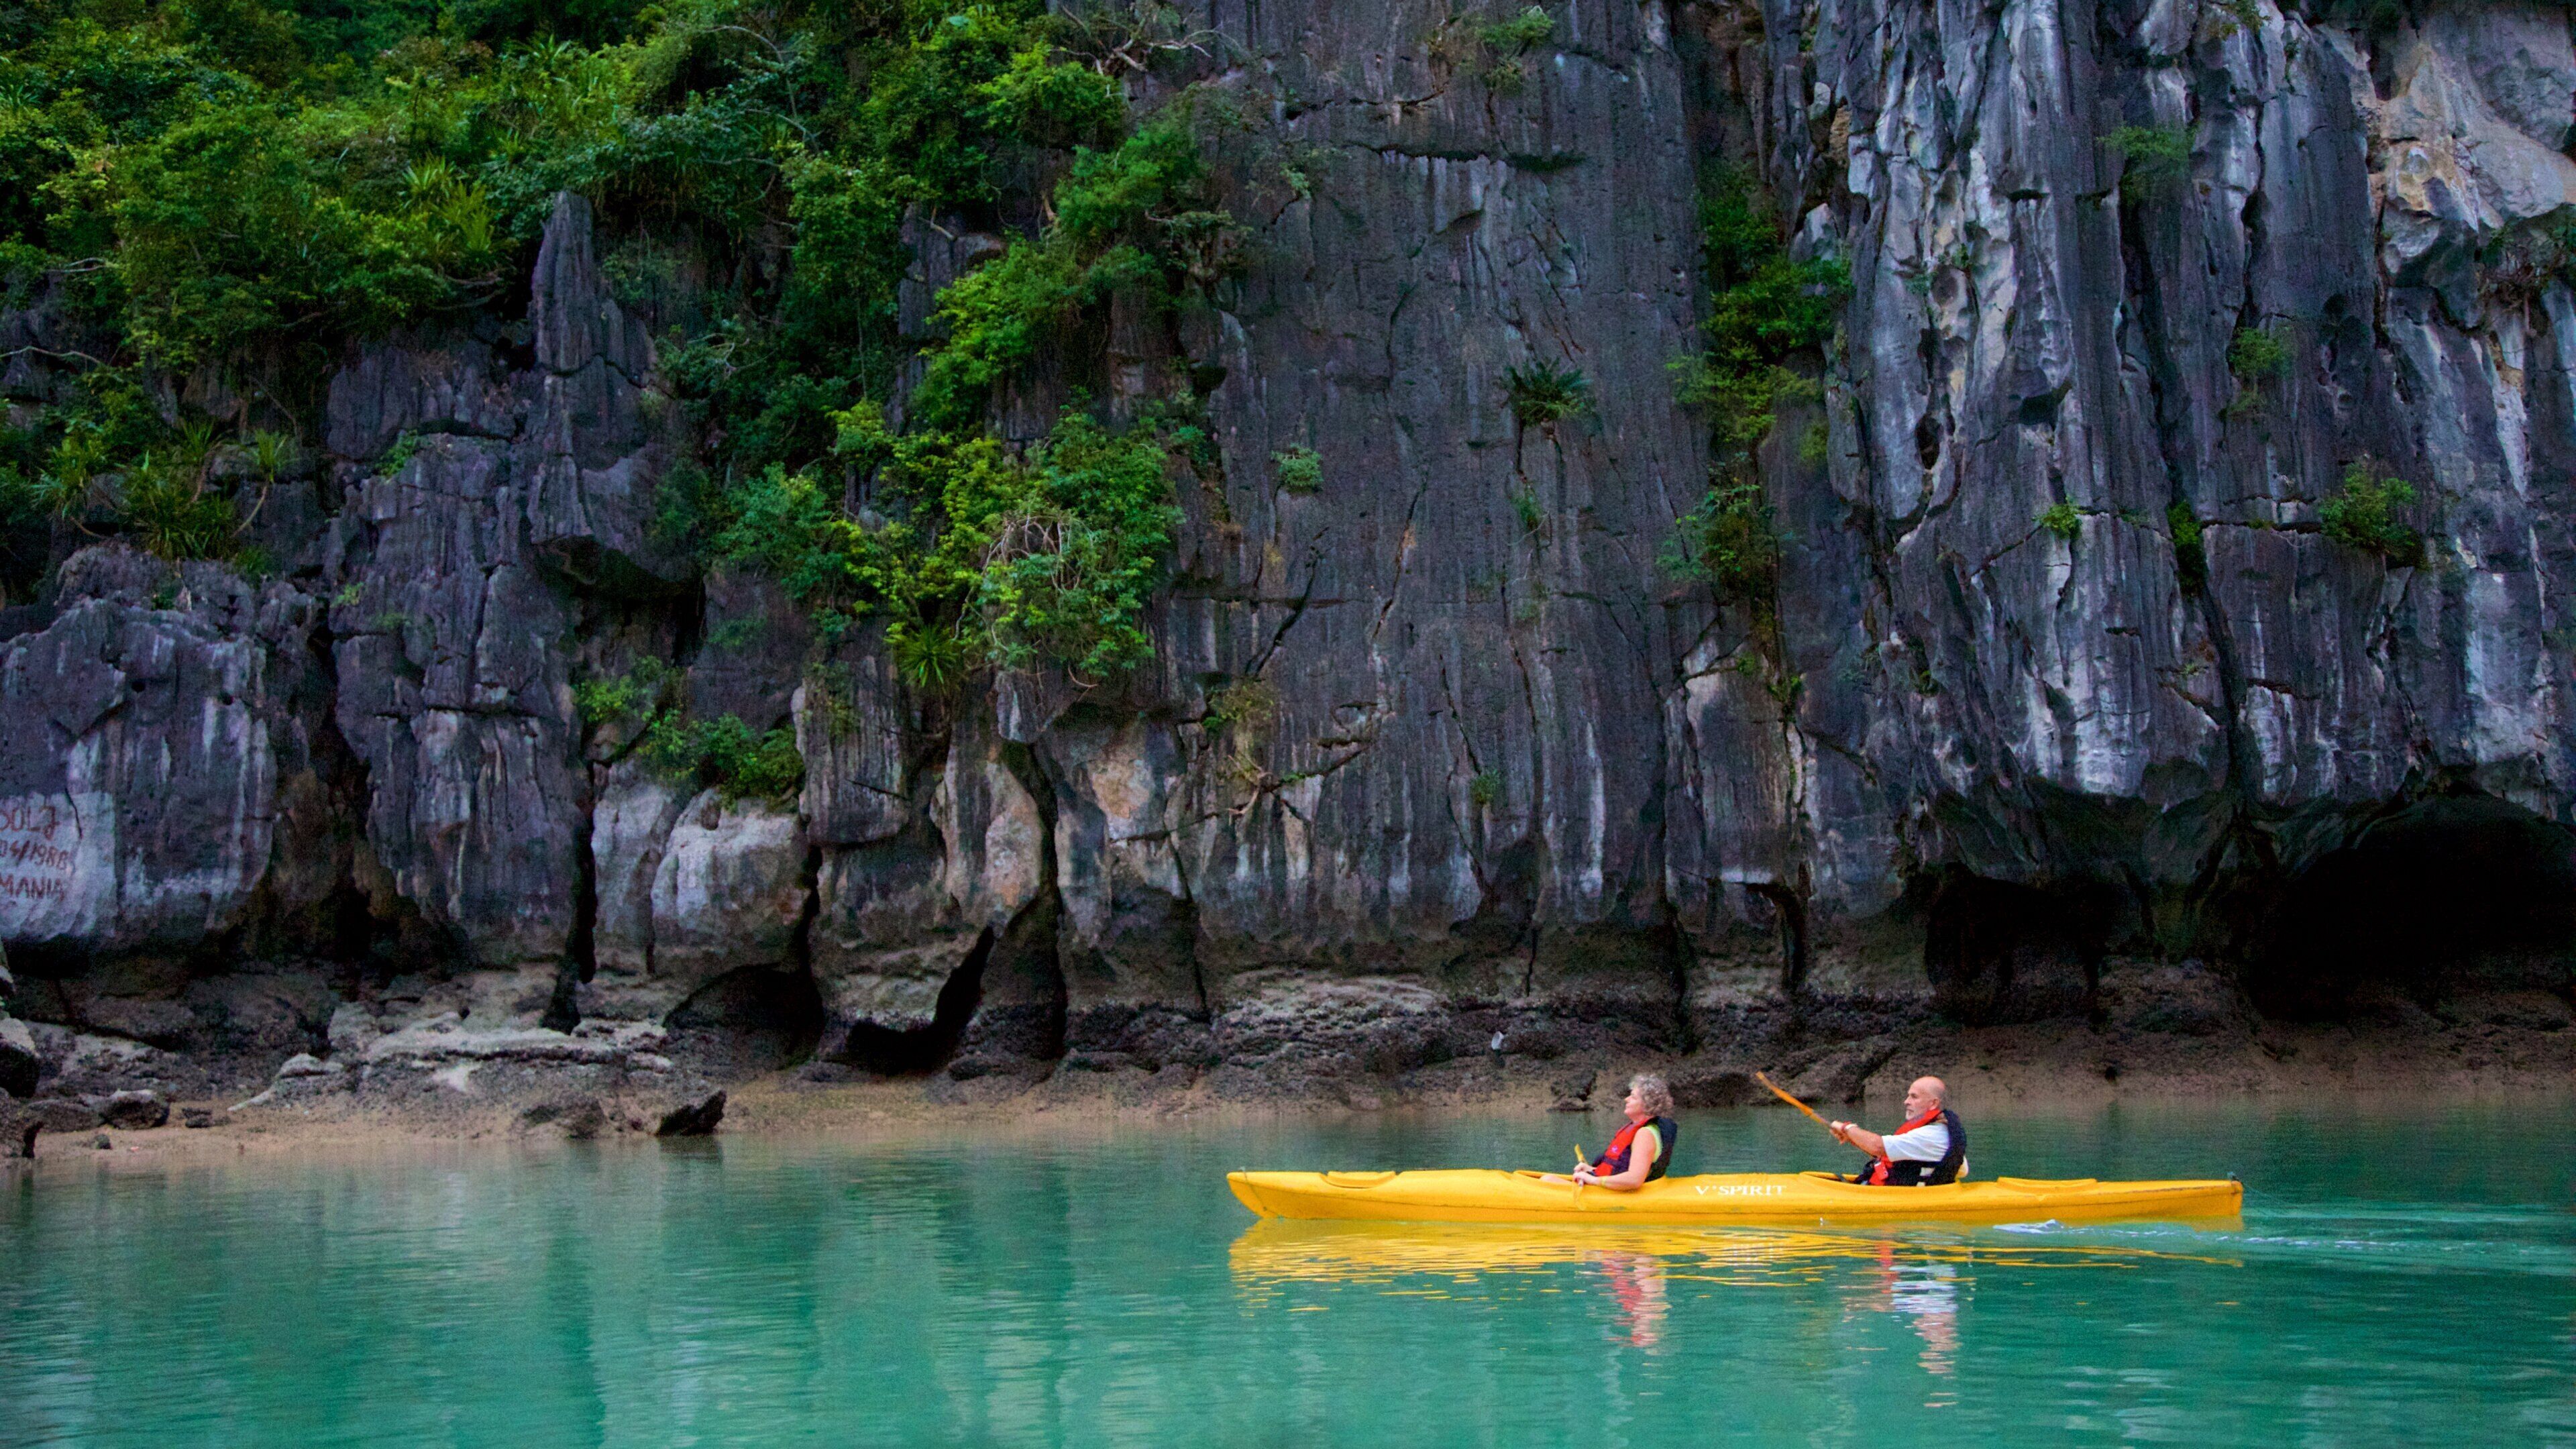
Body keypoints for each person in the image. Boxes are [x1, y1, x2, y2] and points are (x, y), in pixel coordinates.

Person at [1829, 1075, 1967, 1185]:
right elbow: (1963, 1171)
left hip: (1898, 1197)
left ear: (1934, 1104)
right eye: (1908, 1096)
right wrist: (1852, 1137)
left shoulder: (1931, 1136)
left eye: (1914, 1097)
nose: (1906, 1101)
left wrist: (1847, 1128)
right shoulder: (1938, 1132)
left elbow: (1878, 1146)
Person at [1549, 1075, 1678, 1191]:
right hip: (1614, 1189)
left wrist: (1594, 1180)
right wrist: (1592, 1170)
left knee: (1548, 1181)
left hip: (1624, 1194)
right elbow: (1622, 1168)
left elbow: (1634, 1180)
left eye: (1633, 1097)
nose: (1626, 1099)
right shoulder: (1641, 1130)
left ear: (1647, 1104)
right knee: (1549, 1179)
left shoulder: (1645, 1134)